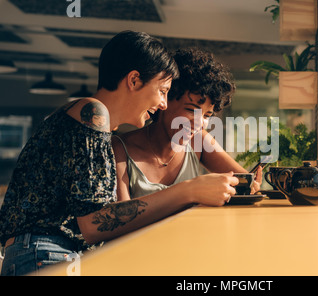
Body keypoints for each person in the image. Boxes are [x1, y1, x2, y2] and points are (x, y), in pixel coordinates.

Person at [0, 31, 238, 276]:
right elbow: (93, 224)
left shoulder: (99, 126)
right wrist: (189, 190)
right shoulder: (92, 112)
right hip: (45, 254)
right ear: (134, 80)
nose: (164, 104)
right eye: (163, 90)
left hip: (54, 254)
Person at [112, 47, 262, 203]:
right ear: (164, 99)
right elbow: (120, 220)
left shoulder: (197, 140)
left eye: (207, 115)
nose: (199, 123)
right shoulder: (119, 149)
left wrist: (252, 185)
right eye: (191, 110)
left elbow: (243, 181)